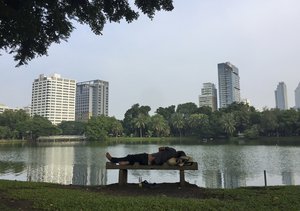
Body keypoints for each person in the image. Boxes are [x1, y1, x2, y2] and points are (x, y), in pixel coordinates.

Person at [106, 147, 186, 165]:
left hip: (147, 157)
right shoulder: (173, 160)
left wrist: (161, 151)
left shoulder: (172, 150)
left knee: (130, 156)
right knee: (132, 159)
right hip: (148, 162)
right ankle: (125, 162)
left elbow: (160, 148)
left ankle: (113, 159)